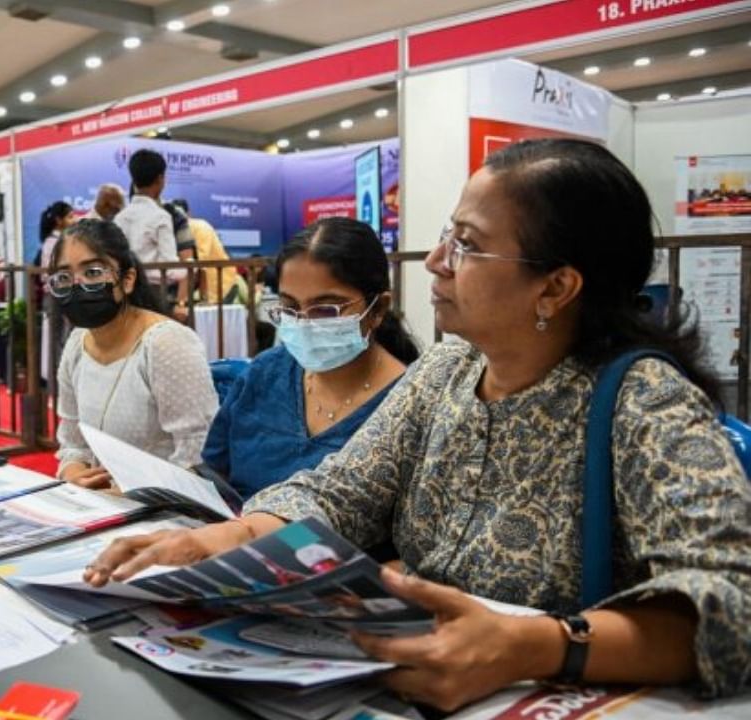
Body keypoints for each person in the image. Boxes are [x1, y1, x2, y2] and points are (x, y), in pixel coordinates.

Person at [86, 139, 751, 710]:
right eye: (447, 235)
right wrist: (226, 539)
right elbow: (341, 490)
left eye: (468, 245)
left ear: (556, 287)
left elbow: (731, 600)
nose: (436, 262)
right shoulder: (447, 370)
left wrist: (540, 644)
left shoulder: (644, 401)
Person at [202, 218, 419, 500]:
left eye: (326, 310)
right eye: (290, 308)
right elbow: (213, 471)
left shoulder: (407, 407)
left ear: (378, 309)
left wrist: (254, 535)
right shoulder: (266, 373)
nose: (304, 324)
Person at [51, 219, 218, 488]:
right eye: (63, 277)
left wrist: (125, 494)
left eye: (93, 272)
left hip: (165, 510)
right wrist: (74, 474)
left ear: (127, 280)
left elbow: (196, 459)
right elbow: (72, 443)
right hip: (97, 504)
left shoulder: (167, 344)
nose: (77, 285)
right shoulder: (77, 344)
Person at [114, 149, 189, 320]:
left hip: (125, 295)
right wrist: (188, 268)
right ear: (160, 180)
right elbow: (171, 269)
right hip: (153, 295)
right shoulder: (160, 216)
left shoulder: (119, 218)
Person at [172, 198, 242, 305]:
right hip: (203, 289)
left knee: (216, 320)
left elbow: (201, 264)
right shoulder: (175, 231)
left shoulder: (200, 227)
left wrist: (202, 298)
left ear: (188, 214)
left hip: (222, 284)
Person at [34, 200, 75, 268]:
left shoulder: (62, 239)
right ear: (59, 220)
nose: (74, 221)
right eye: (70, 217)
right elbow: (47, 273)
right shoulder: (52, 242)